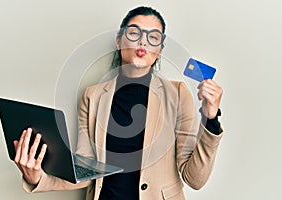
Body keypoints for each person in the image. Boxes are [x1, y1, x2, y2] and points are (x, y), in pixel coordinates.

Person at [13, 6, 223, 200]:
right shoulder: (92, 96)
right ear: (119, 41)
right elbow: (85, 171)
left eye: (153, 37)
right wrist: (38, 178)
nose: (143, 42)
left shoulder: (177, 94)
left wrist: (210, 119)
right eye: (134, 33)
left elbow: (194, 179)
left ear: (160, 49)